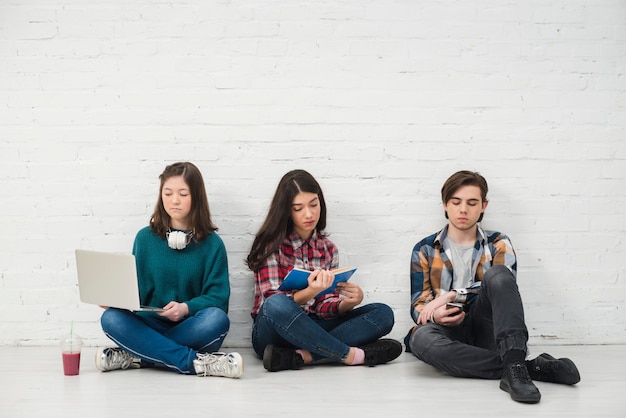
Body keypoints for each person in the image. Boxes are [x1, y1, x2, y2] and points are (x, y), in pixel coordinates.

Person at [406, 170, 580, 403]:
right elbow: (418, 305)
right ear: (445, 205)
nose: (463, 210)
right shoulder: (424, 248)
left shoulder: (499, 243)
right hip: (447, 332)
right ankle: (522, 367)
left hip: (488, 327)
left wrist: (451, 295)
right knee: (420, 339)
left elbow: (504, 289)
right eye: (456, 202)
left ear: (484, 205)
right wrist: (436, 313)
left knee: (499, 274)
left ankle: (514, 368)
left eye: (471, 202)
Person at [96, 162, 243, 378]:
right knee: (110, 318)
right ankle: (194, 362)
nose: (174, 200)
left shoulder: (213, 245)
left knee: (217, 320)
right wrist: (115, 298)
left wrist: (186, 308)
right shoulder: (144, 238)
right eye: (168, 193)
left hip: (190, 326)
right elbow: (136, 292)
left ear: (196, 197)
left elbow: (218, 299)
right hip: (148, 324)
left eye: (183, 194)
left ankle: (139, 354)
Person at [246, 169, 402, 372]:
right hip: (274, 332)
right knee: (277, 304)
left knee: (382, 313)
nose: (309, 214)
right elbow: (272, 305)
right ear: (286, 211)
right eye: (298, 208)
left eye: (313, 204)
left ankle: (302, 357)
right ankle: (350, 355)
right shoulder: (271, 247)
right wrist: (311, 291)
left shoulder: (328, 249)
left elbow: (323, 306)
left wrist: (346, 304)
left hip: (314, 327)